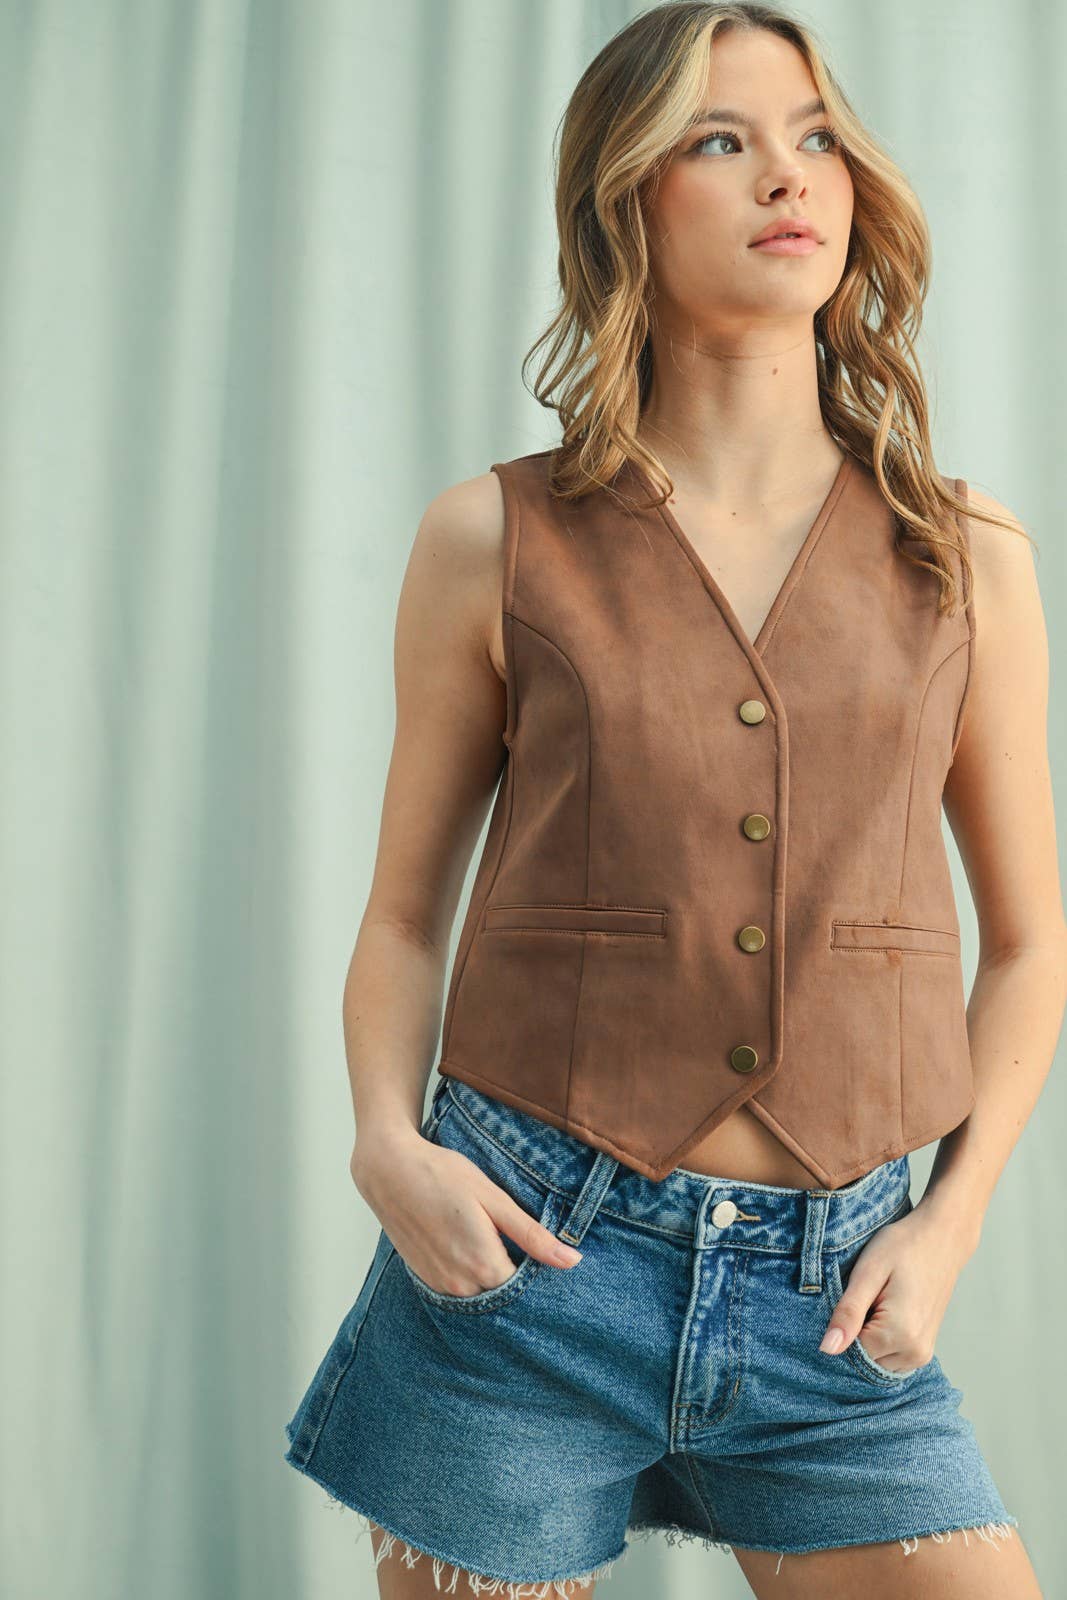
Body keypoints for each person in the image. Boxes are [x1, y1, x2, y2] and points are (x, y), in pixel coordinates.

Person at [283, 5, 1063, 1596]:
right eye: (722, 139)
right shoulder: (489, 540)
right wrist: (384, 1143)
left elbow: (1032, 941)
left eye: (815, 136)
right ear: (623, 201)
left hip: (834, 1291)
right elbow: (403, 912)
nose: (789, 175)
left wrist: (954, 1220)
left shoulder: (967, 555)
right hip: (525, 1270)